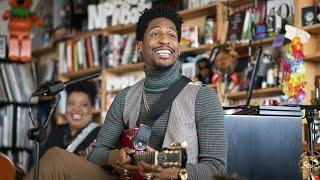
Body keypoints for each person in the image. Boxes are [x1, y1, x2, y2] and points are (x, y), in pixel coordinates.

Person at [24, 6, 227, 180]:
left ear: (178, 48)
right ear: (139, 47)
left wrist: (174, 173)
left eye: (172, 35)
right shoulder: (124, 97)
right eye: (156, 33)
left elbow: (217, 169)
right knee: (54, 159)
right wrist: (114, 158)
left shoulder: (203, 98)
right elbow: (97, 153)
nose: (165, 40)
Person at [39, 80, 100, 157]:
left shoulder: (100, 133)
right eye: (71, 103)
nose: (76, 110)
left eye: (84, 105)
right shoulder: (57, 131)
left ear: (92, 108)